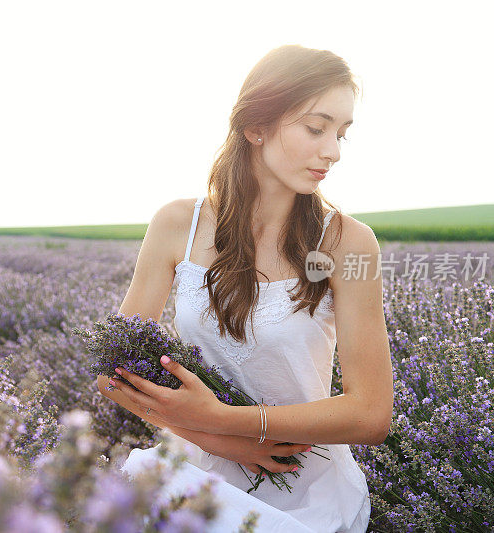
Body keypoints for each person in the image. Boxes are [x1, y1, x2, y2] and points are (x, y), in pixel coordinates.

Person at [96, 44, 394, 532]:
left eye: (341, 134)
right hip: (192, 476)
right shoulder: (177, 225)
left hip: (307, 491)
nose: (333, 151)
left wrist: (229, 420)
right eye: (316, 128)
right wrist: (216, 438)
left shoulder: (350, 243)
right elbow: (112, 372)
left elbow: (370, 414)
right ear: (255, 127)